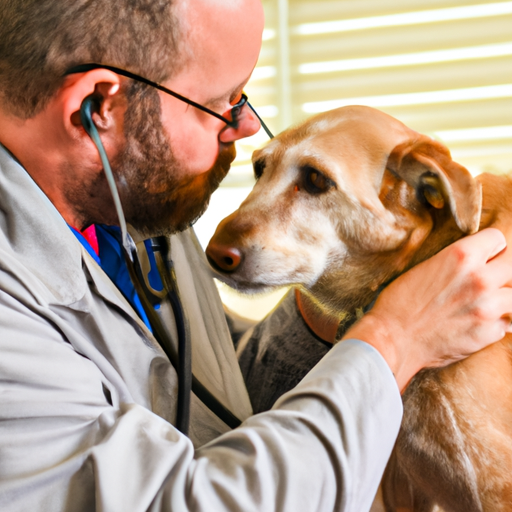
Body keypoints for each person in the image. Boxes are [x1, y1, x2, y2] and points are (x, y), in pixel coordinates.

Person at [0, 1, 511, 511]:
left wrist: (339, 300)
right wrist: (397, 337)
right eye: (219, 102)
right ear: (98, 106)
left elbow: (217, 397)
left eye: (244, 96)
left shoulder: (132, 204)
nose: (244, 127)